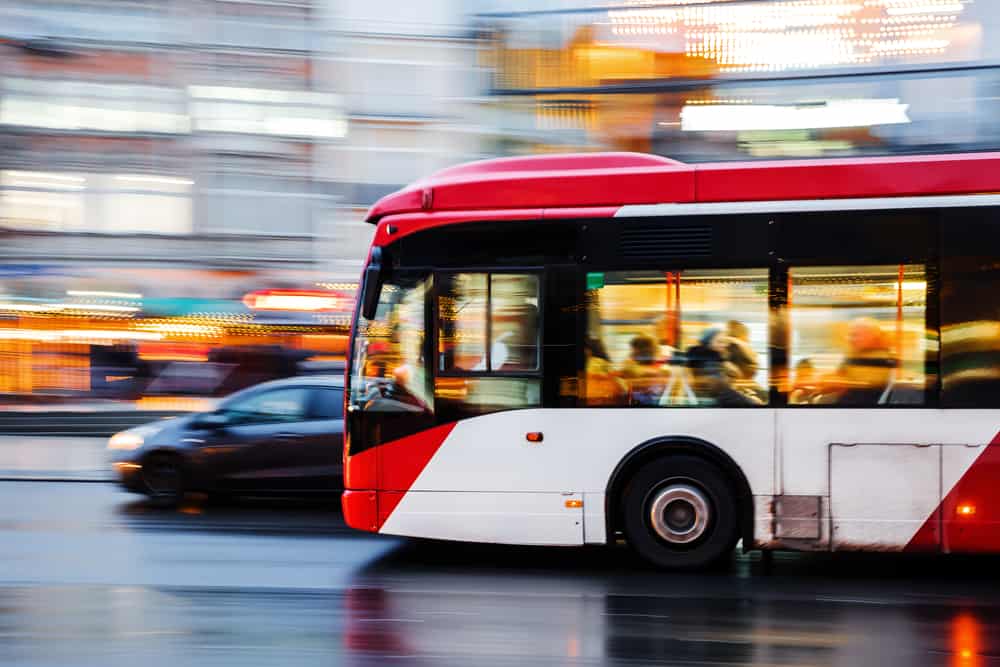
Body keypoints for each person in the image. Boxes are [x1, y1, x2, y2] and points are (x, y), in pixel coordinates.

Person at [817, 317, 895, 405]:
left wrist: (837, 382)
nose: (850, 339)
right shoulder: (853, 352)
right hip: (844, 397)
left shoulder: (881, 357)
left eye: (855, 335)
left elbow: (865, 384)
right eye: (850, 335)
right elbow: (840, 373)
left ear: (870, 336)